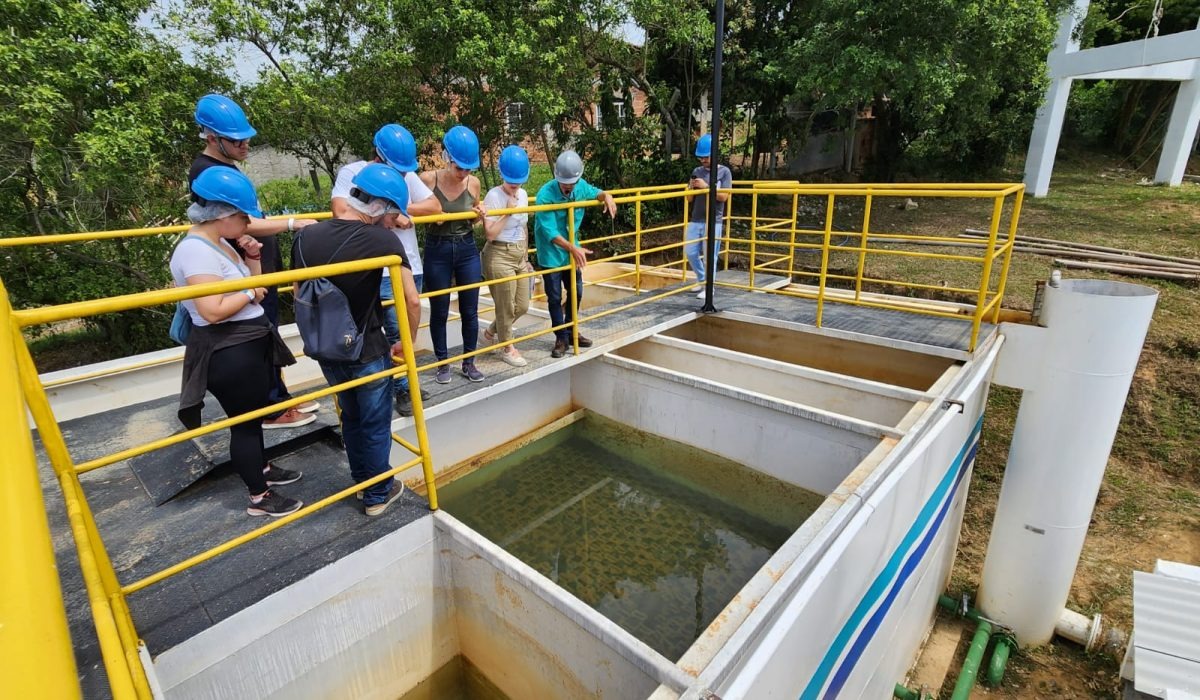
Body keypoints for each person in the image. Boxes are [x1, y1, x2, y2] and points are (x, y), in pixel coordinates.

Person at [171, 167, 303, 517]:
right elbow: (212, 310)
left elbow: (256, 292)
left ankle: (260, 469)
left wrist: (252, 259)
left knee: (253, 418)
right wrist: (248, 291)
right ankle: (259, 498)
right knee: (244, 424)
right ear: (223, 215)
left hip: (246, 343)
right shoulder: (195, 252)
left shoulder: (218, 245)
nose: (247, 223)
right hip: (228, 350)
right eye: (244, 217)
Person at [293, 164, 420, 516]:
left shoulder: (306, 237)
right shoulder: (382, 240)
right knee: (375, 421)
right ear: (380, 208)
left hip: (327, 349)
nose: (395, 222)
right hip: (368, 349)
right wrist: (406, 342)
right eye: (394, 214)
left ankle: (362, 480)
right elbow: (410, 299)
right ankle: (377, 495)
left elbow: (300, 295)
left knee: (350, 416)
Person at [191, 93, 319, 428]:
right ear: (212, 137)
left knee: (268, 333)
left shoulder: (224, 167)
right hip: (241, 272)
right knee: (260, 338)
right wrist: (293, 223)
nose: (246, 144)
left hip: (254, 264)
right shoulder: (205, 173)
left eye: (246, 137)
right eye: (237, 140)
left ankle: (279, 398)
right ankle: (273, 408)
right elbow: (243, 223)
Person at [331, 124, 442, 416]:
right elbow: (342, 213)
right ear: (379, 158)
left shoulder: (406, 175)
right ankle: (399, 389)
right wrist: (390, 210)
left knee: (402, 328)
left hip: (407, 263)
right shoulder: (351, 173)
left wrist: (400, 209)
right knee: (384, 332)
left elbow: (434, 206)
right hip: (374, 267)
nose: (402, 176)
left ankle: (403, 384)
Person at [419, 125, 488, 384]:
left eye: (469, 168)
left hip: (466, 247)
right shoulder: (428, 180)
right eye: (460, 167)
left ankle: (469, 362)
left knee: (470, 309)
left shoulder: (473, 183)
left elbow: (473, 217)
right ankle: (442, 363)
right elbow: (407, 208)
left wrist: (479, 215)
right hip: (437, 248)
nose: (464, 173)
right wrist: (431, 216)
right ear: (446, 158)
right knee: (440, 309)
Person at [533, 150, 618, 358]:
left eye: (572, 183)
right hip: (552, 253)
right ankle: (560, 337)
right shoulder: (545, 195)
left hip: (572, 251)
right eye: (565, 184)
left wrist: (606, 195)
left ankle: (572, 331)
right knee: (554, 297)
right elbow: (550, 232)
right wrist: (573, 248)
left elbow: (594, 191)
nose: (569, 187)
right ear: (556, 177)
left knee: (576, 291)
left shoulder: (580, 186)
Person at [480, 145, 533, 368]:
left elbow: (524, 227)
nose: (515, 185)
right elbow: (490, 234)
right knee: (505, 307)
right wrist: (507, 211)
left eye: (519, 180)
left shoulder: (523, 195)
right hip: (499, 254)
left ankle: (492, 330)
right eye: (511, 180)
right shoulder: (493, 196)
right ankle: (507, 347)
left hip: (519, 253)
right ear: (502, 175)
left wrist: (527, 256)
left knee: (522, 305)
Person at [685, 134, 732, 299]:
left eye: (706, 157)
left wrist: (707, 187)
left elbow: (723, 197)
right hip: (696, 218)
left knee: (710, 255)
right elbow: (689, 199)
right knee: (690, 251)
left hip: (713, 220)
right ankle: (702, 279)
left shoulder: (724, 172)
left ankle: (709, 288)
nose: (703, 160)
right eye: (701, 157)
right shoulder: (696, 171)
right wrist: (691, 188)